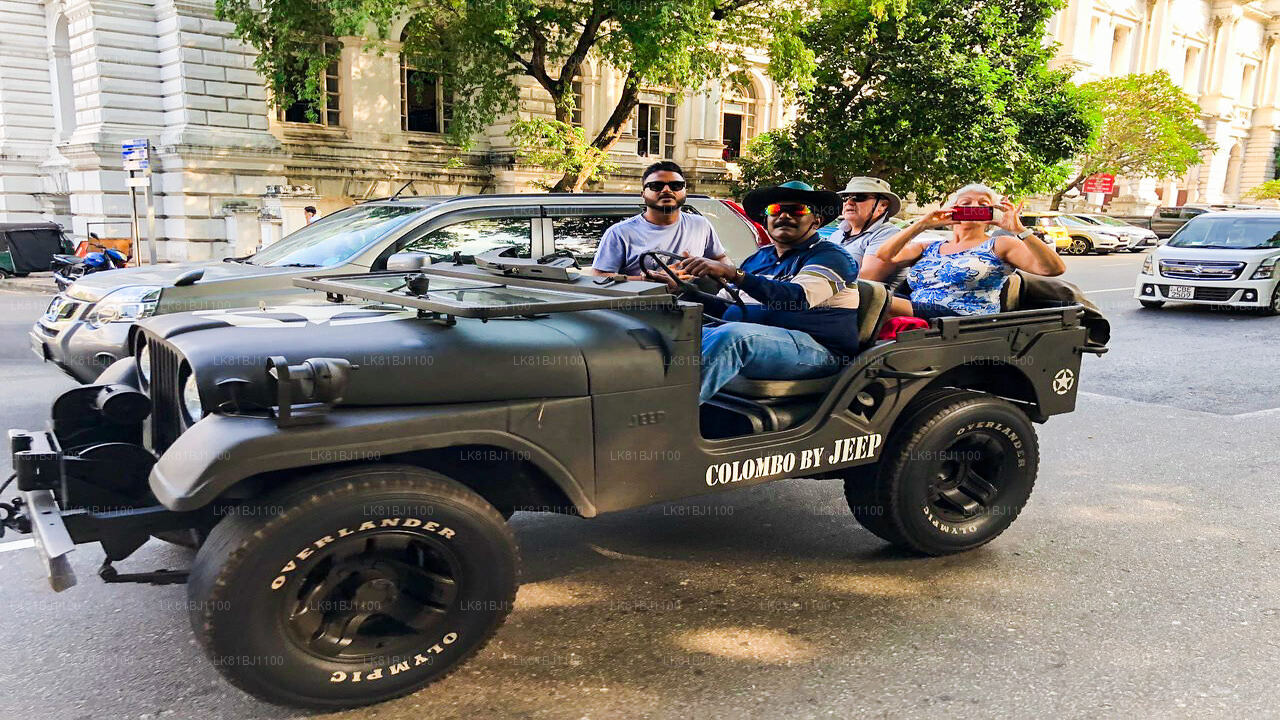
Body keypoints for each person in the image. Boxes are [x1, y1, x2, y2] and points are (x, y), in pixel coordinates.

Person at [678, 181, 860, 403]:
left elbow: (796, 298)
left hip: (819, 352)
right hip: (762, 341)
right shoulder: (758, 259)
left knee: (735, 338)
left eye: (797, 210)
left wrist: (735, 274)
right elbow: (723, 305)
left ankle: (669, 419)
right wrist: (680, 289)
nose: (784, 215)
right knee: (676, 333)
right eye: (775, 210)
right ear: (766, 220)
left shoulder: (831, 257)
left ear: (817, 221)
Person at [874, 183, 1066, 320]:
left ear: (992, 213)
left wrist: (1020, 230)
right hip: (917, 311)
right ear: (951, 210)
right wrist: (922, 224)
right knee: (862, 295)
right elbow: (885, 256)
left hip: (961, 318)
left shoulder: (1000, 244)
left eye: (983, 205)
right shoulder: (929, 246)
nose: (974, 207)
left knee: (870, 298)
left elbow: (1052, 269)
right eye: (965, 204)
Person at [589, 161, 729, 283]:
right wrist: (647, 280)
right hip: (640, 309)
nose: (667, 190)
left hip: (696, 308)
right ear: (643, 194)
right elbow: (598, 277)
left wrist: (716, 271)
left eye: (676, 185)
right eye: (656, 186)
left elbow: (721, 259)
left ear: (685, 191)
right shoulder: (620, 233)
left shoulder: (700, 225)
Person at [830, 176, 905, 287]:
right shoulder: (837, 234)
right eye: (845, 197)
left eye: (859, 197)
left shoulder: (890, 235)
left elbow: (865, 279)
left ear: (882, 205)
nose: (849, 202)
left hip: (861, 302)